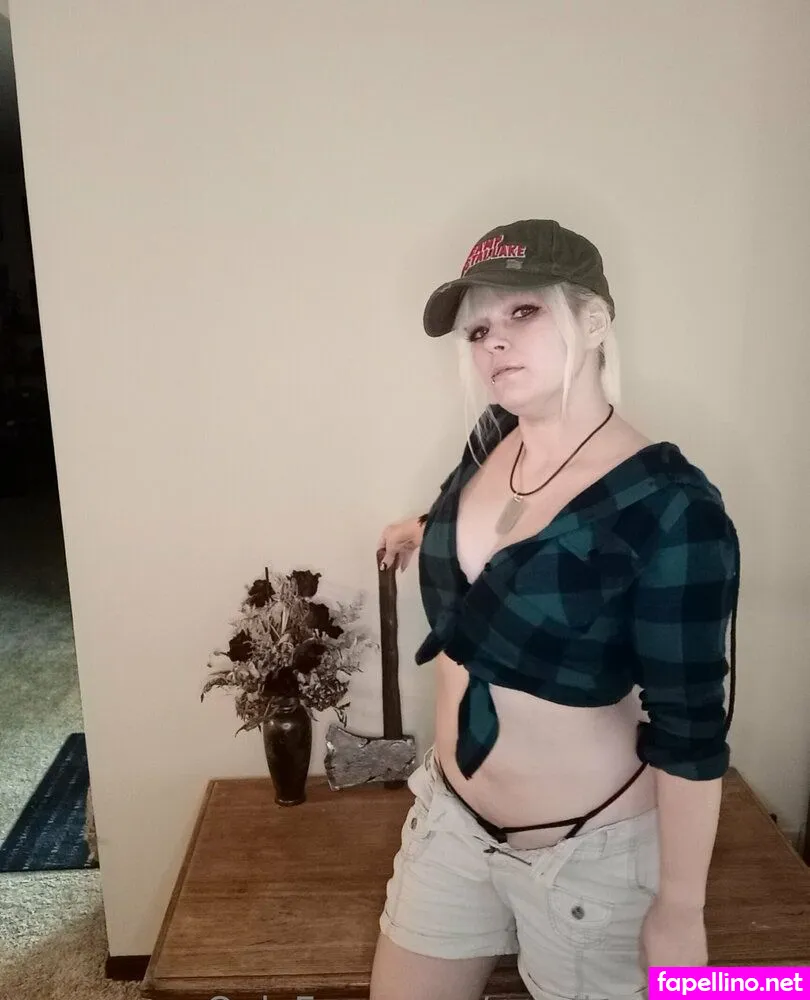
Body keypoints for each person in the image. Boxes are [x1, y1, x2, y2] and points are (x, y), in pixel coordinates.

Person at [370, 219, 740, 1000]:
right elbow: (512, 542)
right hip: (450, 820)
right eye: (478, 330)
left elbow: (691, 728)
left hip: (589, 860)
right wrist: (429, 530)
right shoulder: (493, 436)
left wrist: (680, 909)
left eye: (523, 312)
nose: (494, 342)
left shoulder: (673, 510)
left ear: (594, 319)